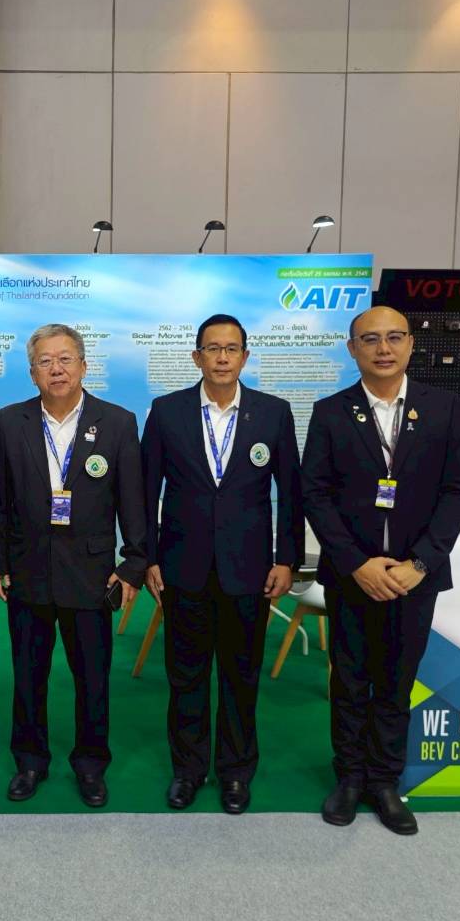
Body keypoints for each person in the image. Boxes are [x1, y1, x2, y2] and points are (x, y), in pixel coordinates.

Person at [301, 305, 460, 835]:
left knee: (396, 683)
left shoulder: (443, 409)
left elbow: (458, 491)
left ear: (411, 344)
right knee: (350, 681)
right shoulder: (331, 412)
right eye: (370, 339)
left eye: (394, 337)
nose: (383, 348)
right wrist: (356, 563)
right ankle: (350, 778)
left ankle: (384, 782)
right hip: (353, 576)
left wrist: (421, 563)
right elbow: (315, 493)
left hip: (413, 577)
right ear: (352, 348)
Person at [141, 314, 304, 815]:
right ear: (197, 357)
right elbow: (146, 492)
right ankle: (188, 771)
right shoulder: (166, 412)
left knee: (241, 675)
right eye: (212, 348)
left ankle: (235, 772)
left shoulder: (273, 413)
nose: (222, 357)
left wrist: (287, 559)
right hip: (182, 566)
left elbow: (291, 493)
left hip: (248, 569)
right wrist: (147, 557)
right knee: (186, 676)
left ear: (245, 357)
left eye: (232, 349)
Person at [0, 324, 146, 808]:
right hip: (28, 571)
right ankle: (30, 761)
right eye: (45, 361)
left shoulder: (117, 422)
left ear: (83, 365)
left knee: (92, 678)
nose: (55, 369)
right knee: (28, 676)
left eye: (65, 359)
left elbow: (133, 500)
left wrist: (133, 563)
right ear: (31, 372)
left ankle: (91, 764)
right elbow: (0, 499)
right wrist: (0, 561)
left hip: (92, 573)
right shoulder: (11, 421)